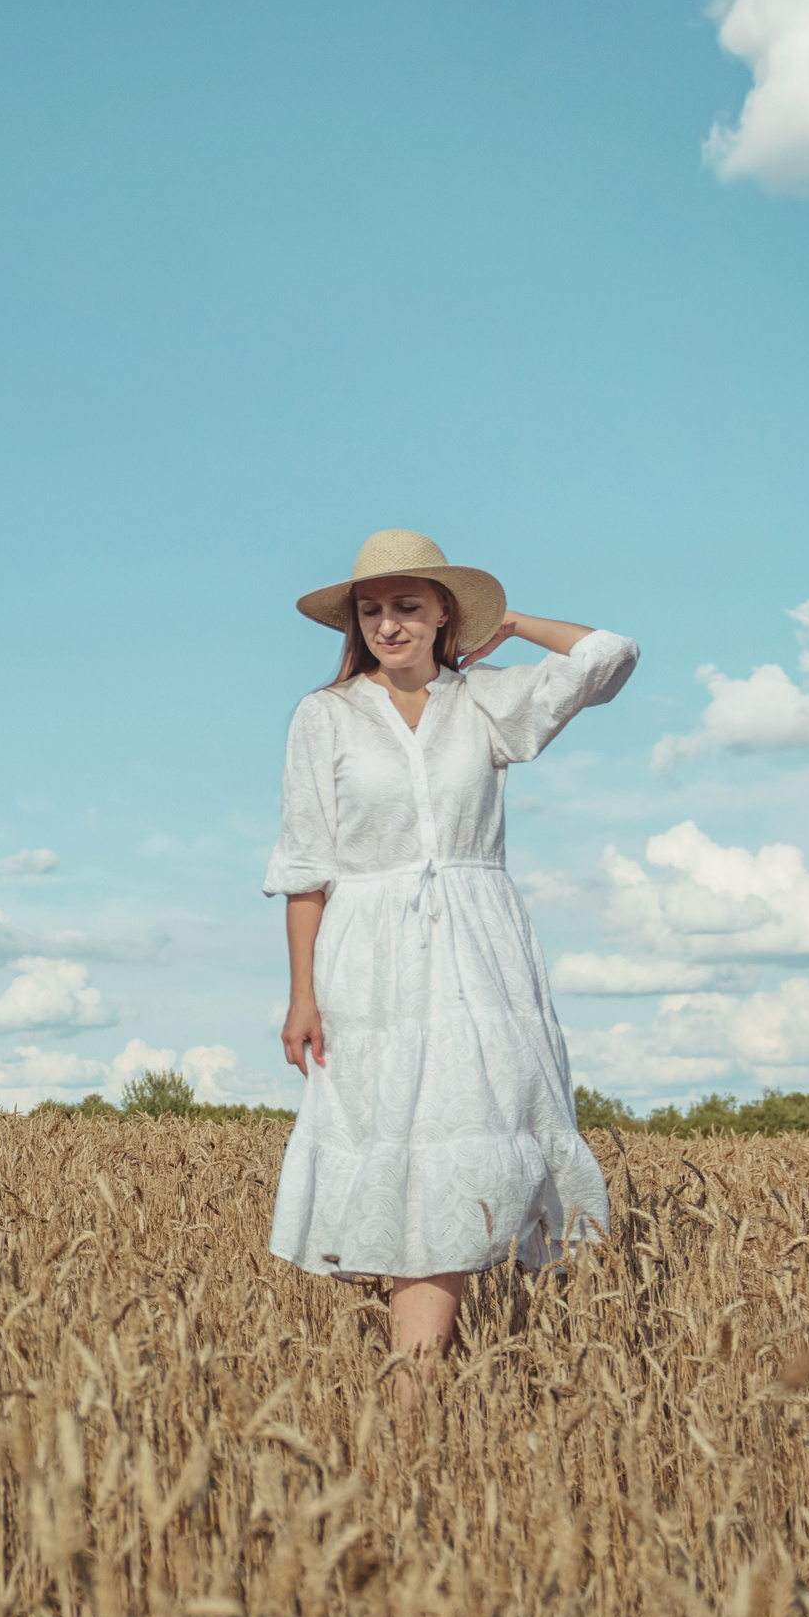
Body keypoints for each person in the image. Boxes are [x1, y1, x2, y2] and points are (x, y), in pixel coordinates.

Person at [263, 529, 637, 1422]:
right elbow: (306, 864)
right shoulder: (326, 716)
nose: (387, 623)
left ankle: (418, 1396)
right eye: (372, 608)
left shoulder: (486, 704)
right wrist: (301, 993)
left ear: (443, 615)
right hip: (370, 956)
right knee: (400, 1151)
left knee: (468, 1141)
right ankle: (420, 1393)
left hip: (479, 948)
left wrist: (505, 622)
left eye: (408, 605)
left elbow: (609, 656)